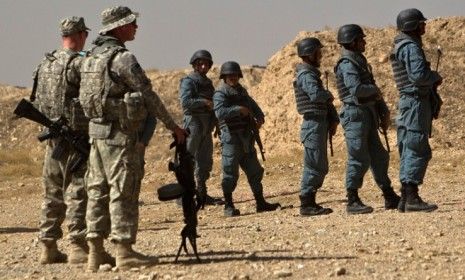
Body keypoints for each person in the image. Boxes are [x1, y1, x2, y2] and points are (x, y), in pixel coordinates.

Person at [79, 6, 187, 271]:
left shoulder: (90, 58)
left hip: (96, 136)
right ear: (118, 28)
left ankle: (95, 252)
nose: (136, 27)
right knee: (122, 192)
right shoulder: (122, 59)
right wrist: (173, 126)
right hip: (119, 136)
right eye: (131, 23)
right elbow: (149, 96)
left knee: (96, 190)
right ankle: (124, 252)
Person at [30, 16, 91, 265]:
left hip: (53, 139)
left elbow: (36, 101)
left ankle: (48, 246)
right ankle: (77, 246)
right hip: (76, 138)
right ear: (78, 35)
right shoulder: (81, 64)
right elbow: (90, 101)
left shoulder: (45, 64)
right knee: (79, 190)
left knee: (52, 192)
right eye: (84, 34)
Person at [334, 24, 400, 214]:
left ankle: (389, 195)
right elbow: (357, 90)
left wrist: (382, 110)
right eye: (361, 39)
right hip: (355, 115)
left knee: (379, 156)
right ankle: (352, 199)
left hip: (367, 113)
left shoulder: (359, 61)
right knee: (359, 158)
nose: (364, 42)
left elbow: (370, 88)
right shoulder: (347, 64)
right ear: (352, 42)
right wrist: (376, 91)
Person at [213, 61, 280, 217]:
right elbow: (220, 113)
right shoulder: (220, 93)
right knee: (230, 173)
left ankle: (260, 202)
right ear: (224, 77)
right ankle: (228, 206)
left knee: (255, 171)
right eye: (230, 75)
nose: (233, 78)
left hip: (246, 137)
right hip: (231, 138)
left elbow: (253, 106)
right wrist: (238, 110)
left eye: (235, 75)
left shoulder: (242, 92)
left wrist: (260, 118)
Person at [390, 8, 441, 212]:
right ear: (412, 26)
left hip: (409, 102)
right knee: (417, 146)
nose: (424, 26)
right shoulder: (410, 47)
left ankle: (405, 197)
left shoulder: (402, 45)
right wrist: (435, 77)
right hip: (415, 103)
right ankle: (411, 196)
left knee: (408, 147)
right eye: (421, 23)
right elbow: (419, 76)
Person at [293, 38, 339, 216]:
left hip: (319, 122)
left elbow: (324, 102)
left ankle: (310, 200)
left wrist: (333, 119)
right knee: (314, 164)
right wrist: (328, 94)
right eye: (317, 52)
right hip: (313, 124)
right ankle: (307, 203)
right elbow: (316, 95)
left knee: (319, 164)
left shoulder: (312, 73)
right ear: (309, 54)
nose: (320, 55)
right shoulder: (306, 74)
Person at [179, 50, 223, 206]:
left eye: (206, 63)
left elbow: (213, 105)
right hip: (193, 122)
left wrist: (216, 123)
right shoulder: (188, 81)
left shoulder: (207, 83)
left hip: (206, 124)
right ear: (195, 65)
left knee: (204, 161)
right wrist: (203, 102)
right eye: (201, 63)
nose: (204, 66)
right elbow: (185, 103)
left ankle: (202, 193)